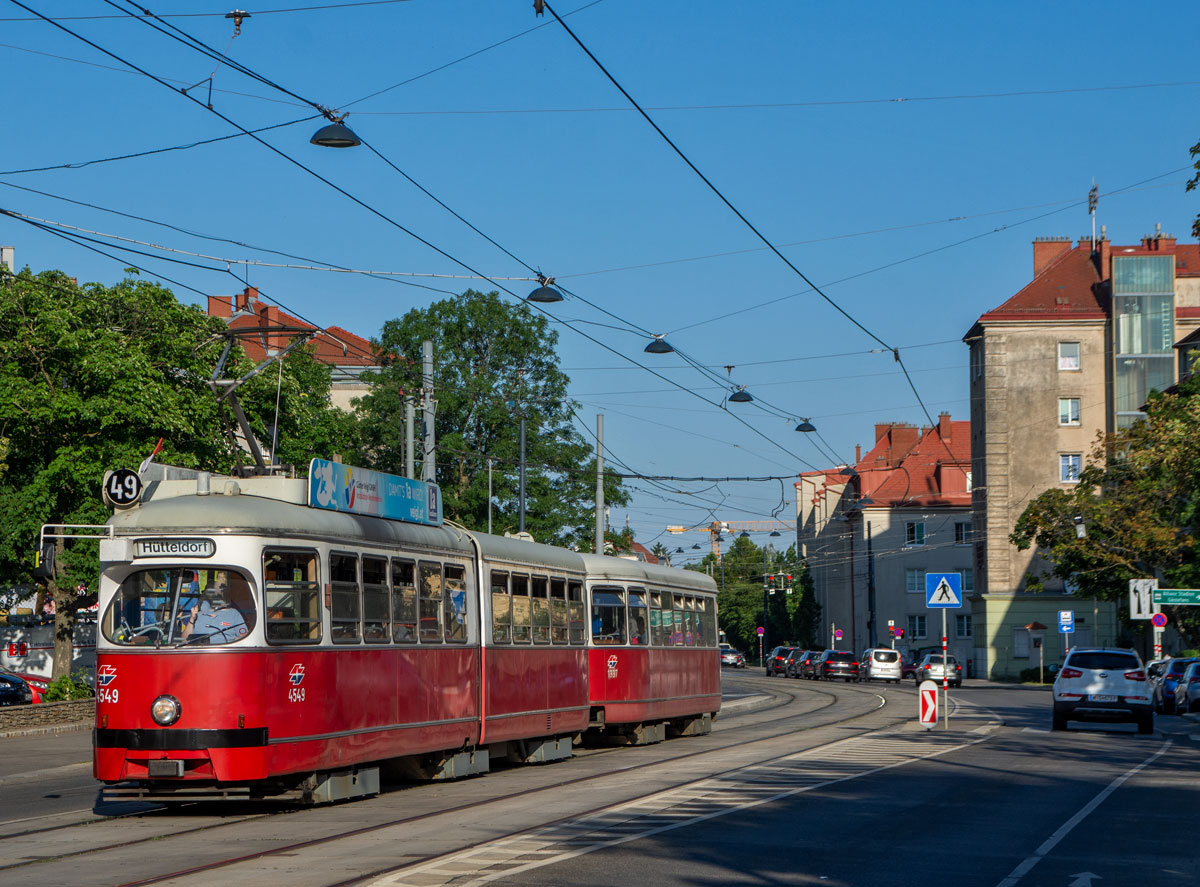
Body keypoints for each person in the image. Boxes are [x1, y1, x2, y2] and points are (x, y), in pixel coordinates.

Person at [182, 583, 247, 642]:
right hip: (200, 652)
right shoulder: (197, 615)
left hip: (225, 652)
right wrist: (192, 619)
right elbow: (184, 641)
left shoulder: (233, 613)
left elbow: (245, 637)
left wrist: (239, 640)